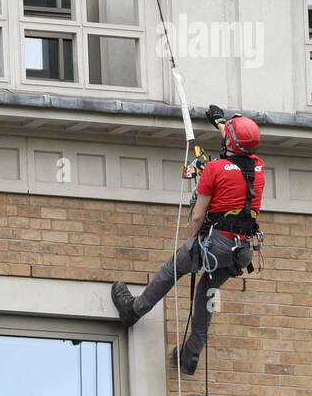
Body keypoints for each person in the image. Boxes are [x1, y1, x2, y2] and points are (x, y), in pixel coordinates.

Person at [111, 107, 265, 375]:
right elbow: (238, 145)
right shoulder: (258, 166)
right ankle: (192, 353)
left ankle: (134, 310)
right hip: (240, 250)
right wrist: (219, 122)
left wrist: (191, 243)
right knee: (207, 289)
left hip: (213, 244)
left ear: (230, 142)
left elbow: (197, 214)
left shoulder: (215, 170)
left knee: (174, 267)